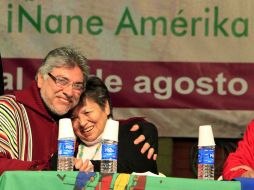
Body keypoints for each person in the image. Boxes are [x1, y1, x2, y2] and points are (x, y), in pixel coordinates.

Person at [0, 46, 157, 174]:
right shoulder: (8, 109)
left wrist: (141, 126)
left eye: (77, 86)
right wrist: (45, 169)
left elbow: (99, 126)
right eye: (61, 81)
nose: (69, 92)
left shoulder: (65, 117)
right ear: (41, 78)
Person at [72, 76, 158, 174]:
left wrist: (94, 167)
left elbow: (143, 170)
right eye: (74, 118)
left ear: (106, 107)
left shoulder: (133, 135)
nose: (82, 123)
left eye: (87, 112)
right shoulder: (67, 146)